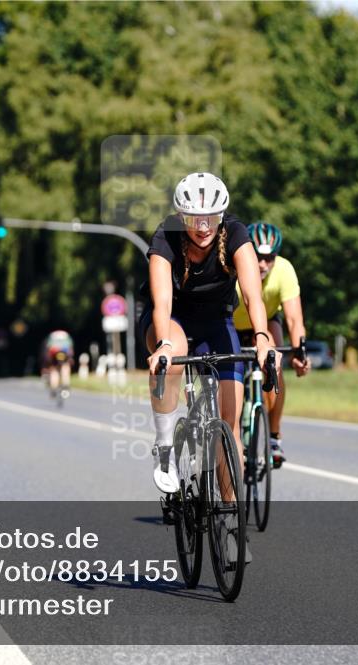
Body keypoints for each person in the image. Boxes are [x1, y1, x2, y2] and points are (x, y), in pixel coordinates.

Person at [141, 172, 275, 564]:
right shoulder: (165, 238)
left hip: (219, 324)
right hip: (173, 323)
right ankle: (165, 448)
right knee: (172, 355)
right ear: (181, 215)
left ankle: (231, 525)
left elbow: (252, 293)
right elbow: (162, 302)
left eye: (210, 218)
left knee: (229, 426)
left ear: (221, 216)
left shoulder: (235, 233)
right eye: (194, 219)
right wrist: (163, 343)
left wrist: (264, 338)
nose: (202, 228)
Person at [232, 222, 311, 467]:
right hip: (232, 324)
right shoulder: (235, 267)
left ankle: (274, 435)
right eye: (258, 257)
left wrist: (299, 352)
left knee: (274, 366)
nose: (264, 265)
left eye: (270, 258)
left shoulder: (285, 270)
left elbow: (294, 318)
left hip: (265, 322)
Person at [42, 329, 74, 398]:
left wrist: (48, 363)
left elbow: (47, 350)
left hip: (54, 352)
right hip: (64, 351)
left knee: (54, 370)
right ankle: (66, 385)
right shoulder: (66, 335)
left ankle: (53, 388)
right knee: (66, 367)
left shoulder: (52, 336)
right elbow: (70, 349)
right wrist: (70, 359)